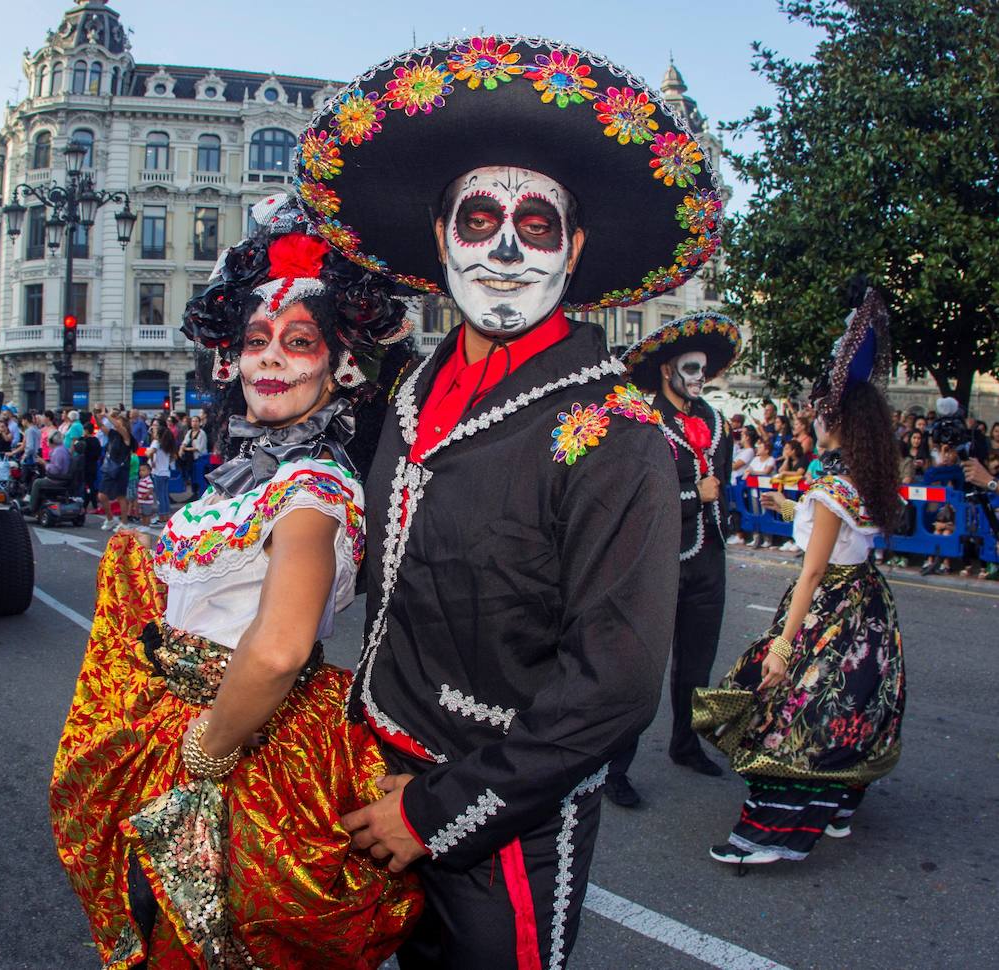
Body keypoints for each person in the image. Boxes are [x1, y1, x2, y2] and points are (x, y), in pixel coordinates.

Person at [298, 36, 712, 967]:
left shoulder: (615, 431)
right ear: (440, 239)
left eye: (539, 224)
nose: (508, 249)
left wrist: (434, 814)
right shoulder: (405, 397)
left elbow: (615, 685)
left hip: (499, 821)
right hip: (378, 782)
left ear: (577, 249)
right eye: (479, 220)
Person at [49, 201, 422, 967]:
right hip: (181, 729)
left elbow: (280, 648)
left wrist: (206, 751)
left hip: (243, 752)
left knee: (204, 937)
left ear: (339, 362)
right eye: (256, 342)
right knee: (158, 920)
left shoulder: (314, 484)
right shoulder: (246, 475)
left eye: (297, 342)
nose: (272, 361)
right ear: (231, 358)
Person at [695, 286, 905, 866]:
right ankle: (839, 808)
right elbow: (847, 540)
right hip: (867, 602)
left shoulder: (830, 487)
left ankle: (772, 837)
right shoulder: (863, 476)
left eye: (820, 410)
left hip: (829, 608)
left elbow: (812, 572)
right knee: (856, 706)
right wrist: (800, 513)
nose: (813, 417)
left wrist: (784, 643)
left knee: (792, 715)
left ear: (837, 418)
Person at [608, 312, 741, 806]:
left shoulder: (716, 420)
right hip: (661, 561)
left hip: (710, 558)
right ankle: (615, 767)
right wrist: (694, 496)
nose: (698, 378)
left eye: (703, 370)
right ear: (667, 371)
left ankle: (687, 745)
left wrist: (717, 508)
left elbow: (722, 484)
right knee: (642, 668)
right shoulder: (644, 423)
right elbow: (637, 496)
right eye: (690, 368)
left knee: (697, 663)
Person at [96, 411, 133, 531]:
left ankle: (124, 522)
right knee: (102, 495)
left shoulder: (127, 437)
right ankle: (110, 519)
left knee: (120, 496)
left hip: (121, 470)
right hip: (109, 468)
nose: (116, 424)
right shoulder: (113, 435)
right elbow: (101, 427)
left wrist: (107, 415)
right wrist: (96, 416)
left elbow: (118, 426)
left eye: (119, 422)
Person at [29, 431, 72, 513]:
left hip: (57, 480)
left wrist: (44, 464)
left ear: (52, 441)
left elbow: (55, 470)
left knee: (37, 482)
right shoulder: (62, 449)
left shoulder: (58, 452)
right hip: (61, 477)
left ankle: (32, 507)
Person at [149, 423, 177, 521]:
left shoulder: (156, 442)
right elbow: (173, 457)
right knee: (164, 495)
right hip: (165, 471)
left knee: (160, 496)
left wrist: (151, 460)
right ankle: (166, 516)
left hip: (158, 472)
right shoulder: (167, 444)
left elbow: (150, 452)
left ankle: (161, 516)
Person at [180, 415, 208, 498]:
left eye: (196, 421)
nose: (194, 423)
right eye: (193, 421)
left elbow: (200, 448)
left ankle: (201, 495)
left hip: (200, 459)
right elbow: (185, 441)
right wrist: (181, 448)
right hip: (191, 459)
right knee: (192, 477)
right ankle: (194, 494)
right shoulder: (189, 432)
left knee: (199, 478)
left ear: (199, 423)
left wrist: (186, 449)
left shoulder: (202, 433)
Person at [134, 461, 155, 526]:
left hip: (147, 501)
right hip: (141, 501)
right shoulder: (141, 479)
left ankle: (147, 525)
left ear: (149, 471)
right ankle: (143, 525)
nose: (141, 472)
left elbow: (151, 489)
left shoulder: (148, 480)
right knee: (142, 514)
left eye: (143, 470)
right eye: (140, 470)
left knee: (147, 514)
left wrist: (146, 495)